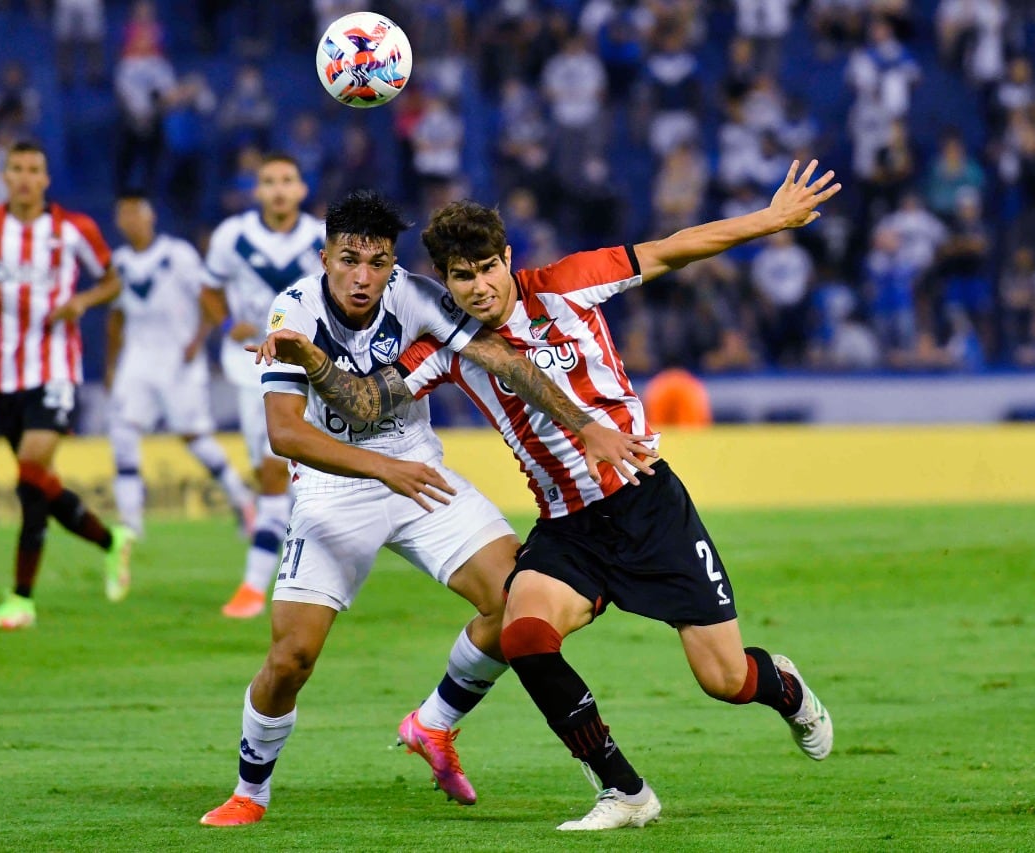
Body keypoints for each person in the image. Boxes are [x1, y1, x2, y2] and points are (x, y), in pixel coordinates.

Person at [264, 161, 840, 831]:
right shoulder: (450, 346)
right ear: (444, 281)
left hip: (647, 506)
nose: (477, 286)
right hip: (569, 525)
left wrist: (769, 220)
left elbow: (672, 248)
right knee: (524, 630)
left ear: (508, 259)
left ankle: (787, 688)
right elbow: (363, 403)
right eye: (460, 276)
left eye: (486, 268)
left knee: (725, 678)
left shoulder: (569, 285)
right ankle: (624, 791)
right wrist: (307, 358)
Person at [200, 189, 653, 828]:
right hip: (335, 488)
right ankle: (251, 791)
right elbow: (287, 436)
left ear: (393, 264)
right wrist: (386, 469)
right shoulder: (293, 311)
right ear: (323, 255)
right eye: (349, 260)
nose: (363, 278)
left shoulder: (415, 296)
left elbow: (499, 358)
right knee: (292, 657)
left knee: (517, 603)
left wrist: (583, 424)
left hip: (421, 473)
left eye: (378, 262)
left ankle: (435, 723)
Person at [0, 140, 134, 630]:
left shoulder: (74, 229)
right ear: (4, 177)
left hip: (55, 367)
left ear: (47, 179)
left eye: (35, 170)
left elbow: (112, 281)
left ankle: (21, 600)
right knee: (39, 484)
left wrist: (83, 302)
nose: (26, 178)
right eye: (17, 169)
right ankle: (111, 541)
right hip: (3, 374)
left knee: (31, 470)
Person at [202, 153, 325, 619]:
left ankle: (256, 585)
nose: (278, 189)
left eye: (287, 181)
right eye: (269, 181)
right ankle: (290, 562)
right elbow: (209, 287)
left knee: (281, 471)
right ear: (257, 190)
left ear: (300, 189)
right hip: (250, 362)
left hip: (309, 365)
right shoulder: (232, 236)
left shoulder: (321, 238)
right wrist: (227, 321)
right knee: (274, 470)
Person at [105, 192, 254, 541]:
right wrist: (111, 365)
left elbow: (207, 296)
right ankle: (130, 523)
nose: (130, 220)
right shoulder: (120, 262)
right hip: (137, 358)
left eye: (135, 212)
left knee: (194, 437)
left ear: (150, 215)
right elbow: (115, 317)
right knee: (123, 432)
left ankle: (242, 498)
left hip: (178, 358)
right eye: (123, 214)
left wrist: (199, 338)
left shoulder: (178, 255)